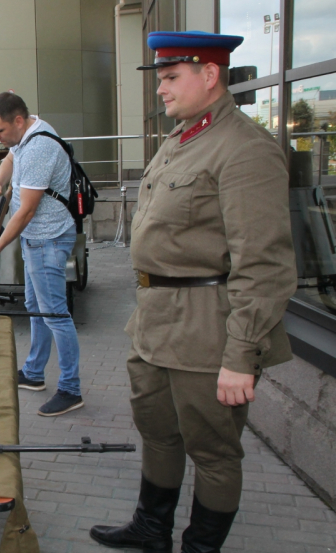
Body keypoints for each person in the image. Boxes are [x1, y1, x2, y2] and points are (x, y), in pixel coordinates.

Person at [88, 31, 297, 553]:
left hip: (207, 329)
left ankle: (200, 547)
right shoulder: (182, 138)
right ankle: (151, 528)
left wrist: (241, 355)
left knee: (213, 450)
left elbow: (264, 265)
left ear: (209, 74)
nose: (160, 89)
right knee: (157, 431)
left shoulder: (245, 149)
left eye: (170, 77)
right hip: (154, 320)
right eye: (159, 78)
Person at [0, 92, 83, 417]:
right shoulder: (27, 133)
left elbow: (26, 212)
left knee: (55, 314)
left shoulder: (38, 147)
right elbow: (11, 156)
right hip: (37, 239)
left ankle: (71, 389)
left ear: (19, 121)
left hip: (47, 240)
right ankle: (34, 372)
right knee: (37, 307)